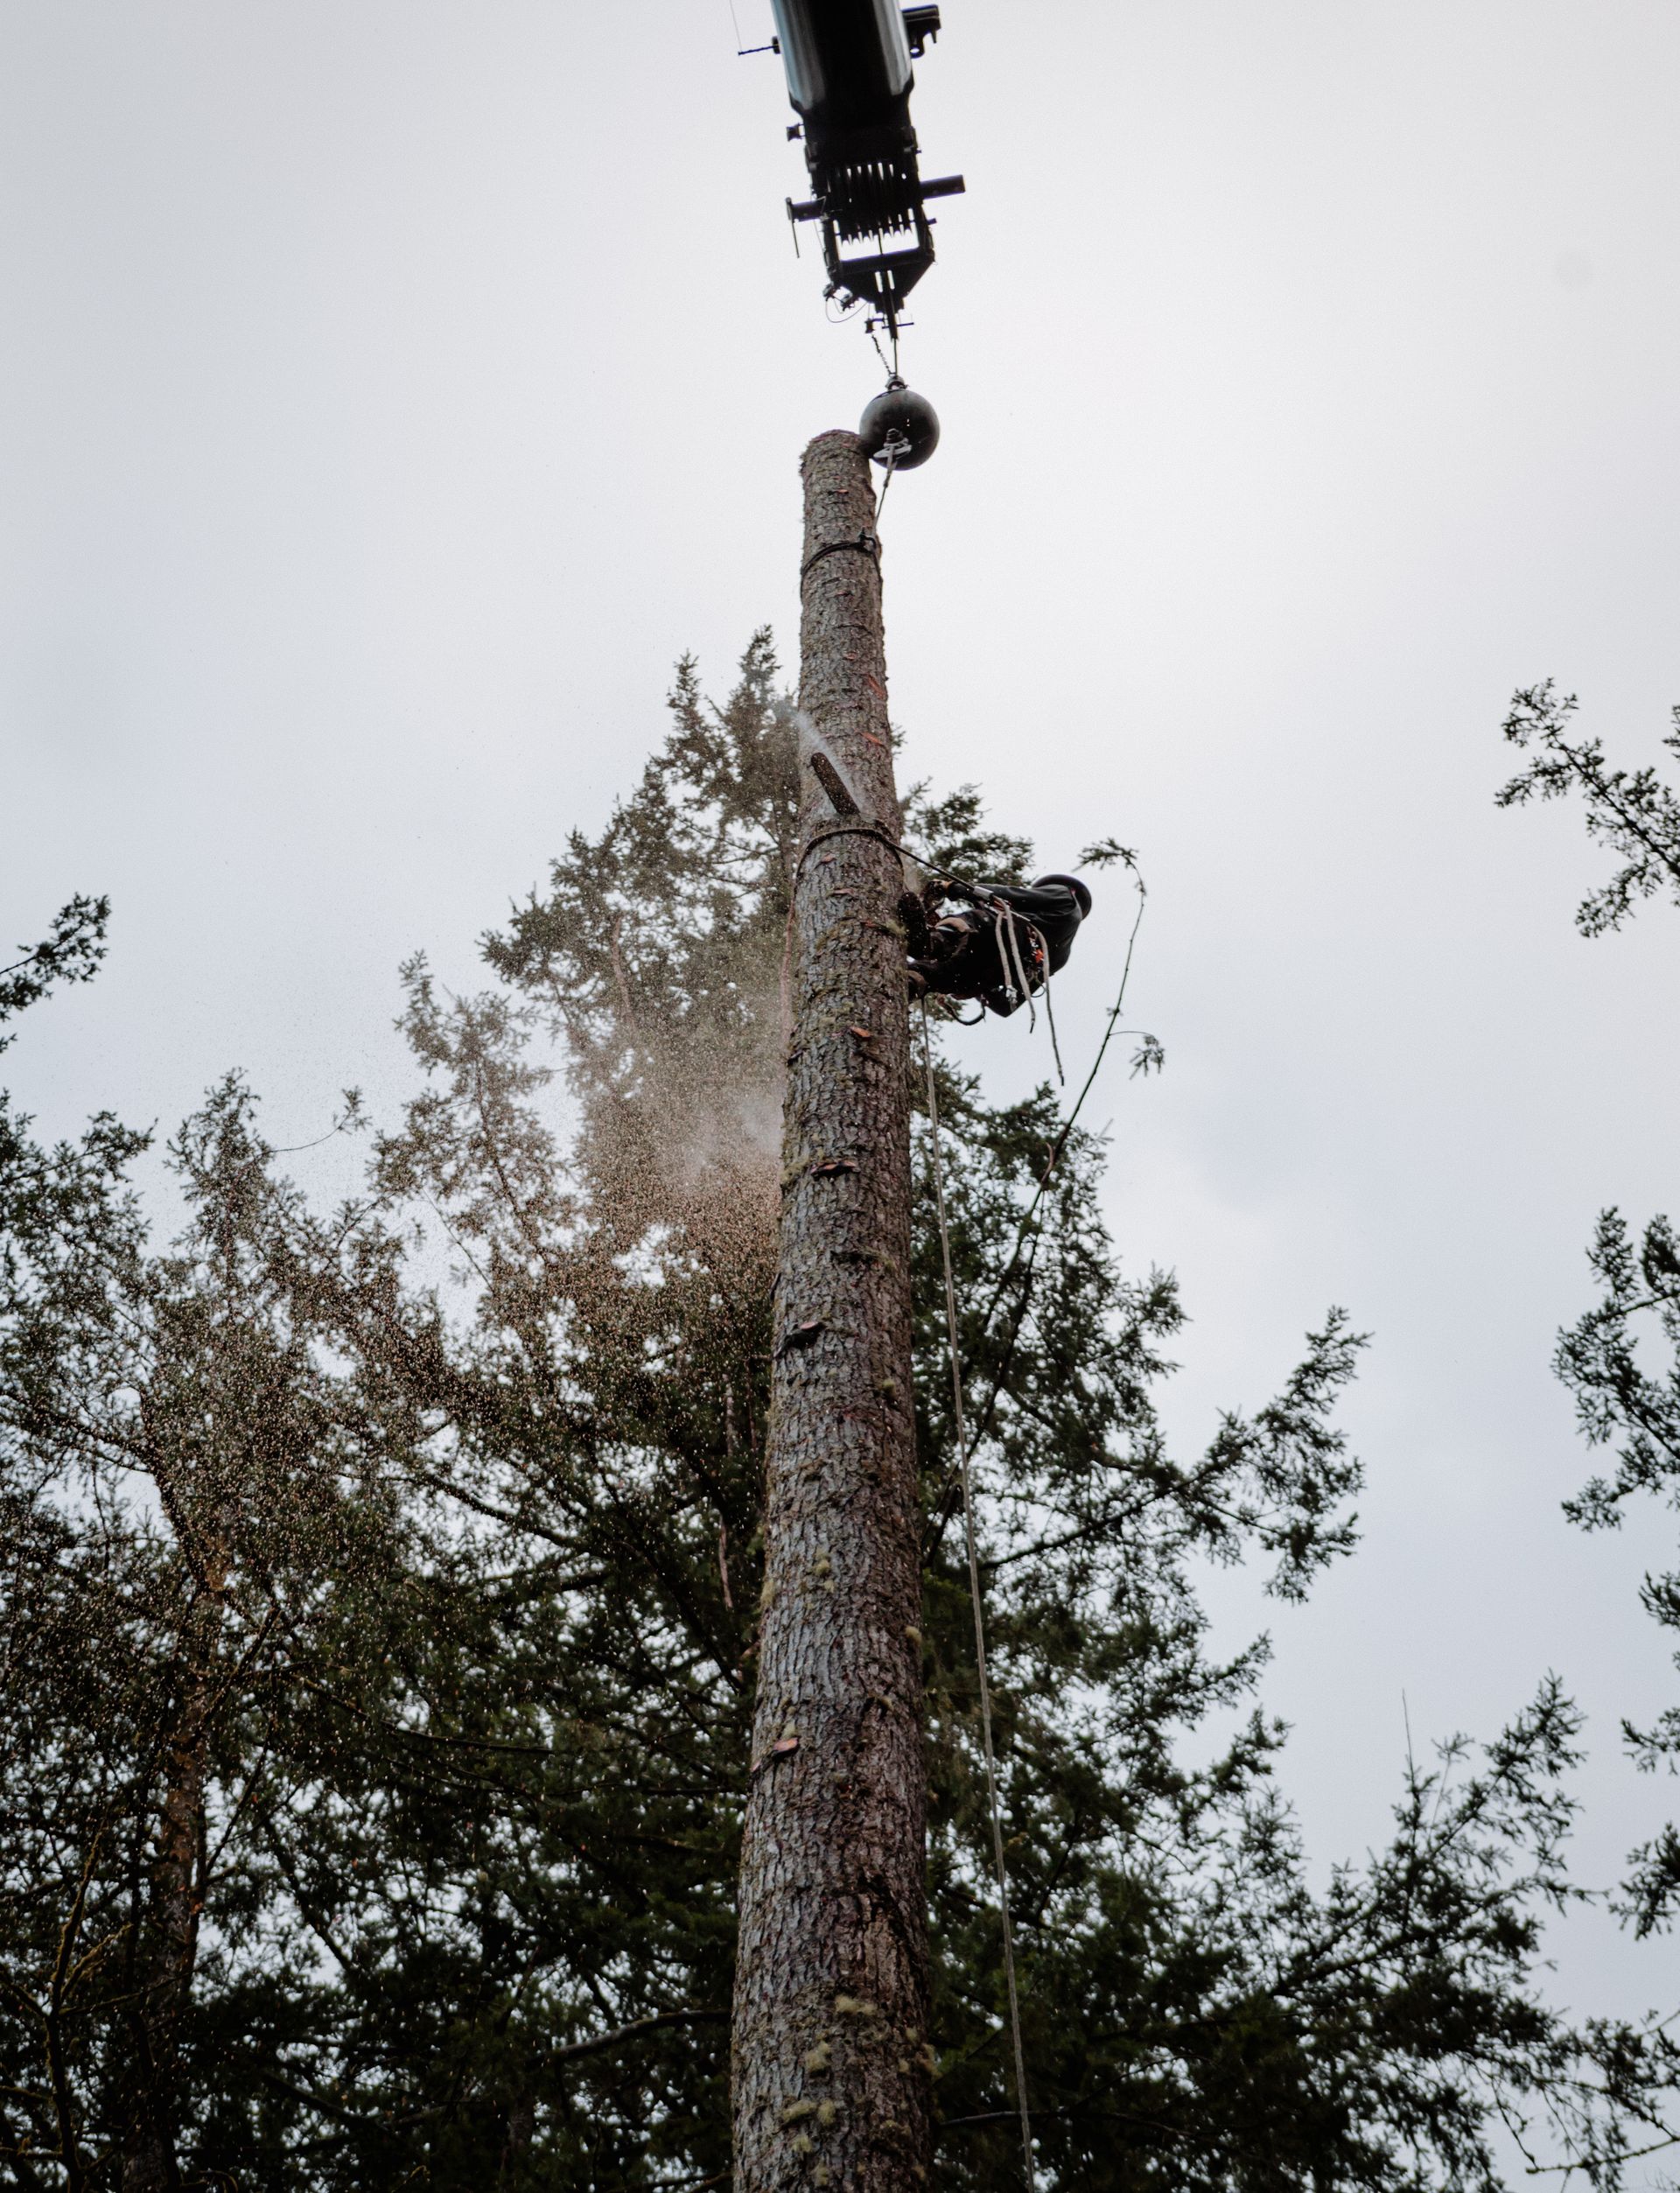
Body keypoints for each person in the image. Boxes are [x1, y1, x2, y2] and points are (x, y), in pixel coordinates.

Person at [901, 872, 1091, 1018]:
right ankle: (909, 985)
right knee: (939, 976)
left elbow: (1009, 895)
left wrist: (952, 888)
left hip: (996, 933)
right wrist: (983, 987)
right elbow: (1006, 1006)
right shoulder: (1060, 958)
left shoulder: (1065, 895)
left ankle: (929, 943)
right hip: (983, 976)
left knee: (978, 922)